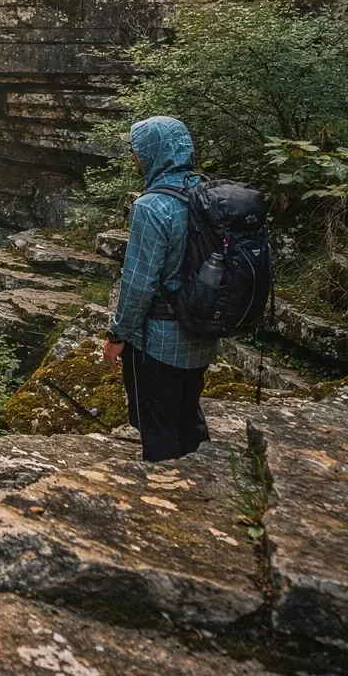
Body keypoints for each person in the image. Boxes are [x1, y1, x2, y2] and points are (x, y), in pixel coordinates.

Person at [102, 116, 220, 461]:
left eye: (138, 150)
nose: (135, 157)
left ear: (153, 154)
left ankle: (169, 498)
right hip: (202, 334)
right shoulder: (208, 195)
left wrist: (117, 335)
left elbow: (139, 284)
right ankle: (207, 482)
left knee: (156, 425)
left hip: (159, 343)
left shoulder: (151, 207)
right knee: (187, 413)